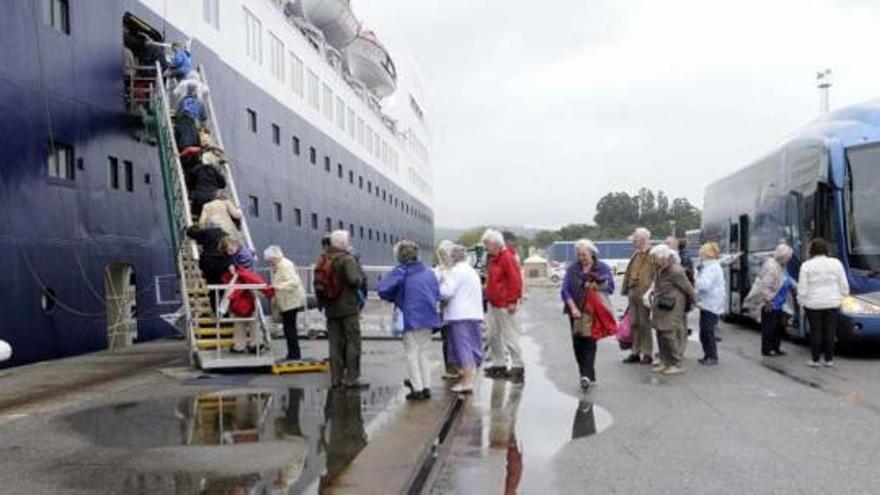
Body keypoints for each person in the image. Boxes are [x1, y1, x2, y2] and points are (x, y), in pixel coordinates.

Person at [378, 241, 442, 401]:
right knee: (424, 353)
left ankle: (417, 388)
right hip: (428, 316)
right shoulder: (429, 272)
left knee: (411, 354)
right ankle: (426, 386)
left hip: (410, 316)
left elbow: (383, 290)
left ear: (400, 256)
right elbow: (436, 292)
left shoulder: (401, 271)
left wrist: (396, 296)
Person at [560, 239, 615, 390]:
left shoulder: (602, 267)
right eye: (579, 255)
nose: (581, 258)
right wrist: (573, 308)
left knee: (590, 342)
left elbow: (611, 288)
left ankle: (586, 375)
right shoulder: (573, 269)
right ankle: (586, 375)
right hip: (575, 311)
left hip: (593, 312)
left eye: (584, 254)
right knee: (578, 344)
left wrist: (597, 285)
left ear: (592, 253)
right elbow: (565, 290)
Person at [315, 230, 366, 389]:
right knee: (353, 342)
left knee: (334, 343)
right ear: (343, 244)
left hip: (331, 307)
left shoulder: (324, 258)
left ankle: (335, 379)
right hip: (348, 308)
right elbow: (354, 280)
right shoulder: (347, 259)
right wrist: (359, 279)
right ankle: (351, 378)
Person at [437, 243, 485, 393]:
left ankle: (467, 382)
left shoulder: (455, 272)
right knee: (472, 347)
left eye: (447, 256)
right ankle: (469, 378)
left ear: (452, 257)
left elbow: (446, 292)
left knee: (463, 348)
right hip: (473, 314)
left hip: (460, 315)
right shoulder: (470, 271)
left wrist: (439, 285)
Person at [798, 238, 849, 367]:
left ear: (811, 250)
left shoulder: (806, 265)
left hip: (813, 303)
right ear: (827, 249)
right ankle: (829, 359)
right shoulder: (836, 263)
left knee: (815, 331)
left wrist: (801, 301)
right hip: (832, 302)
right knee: (830, 331)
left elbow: (803, 287)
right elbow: (843, 282)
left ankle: (815, 360)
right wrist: (843, 295)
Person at [481, 229, 525, 381]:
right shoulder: (496, 258)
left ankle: (518, 366)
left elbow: (515, 280)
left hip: (504, 303)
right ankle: (498, 364)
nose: (487, 248)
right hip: (494, 302)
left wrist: (513, 300)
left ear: (495, 243)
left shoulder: (507, 257)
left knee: (509, 334)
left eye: (487, 244)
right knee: (493, 334)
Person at [649, 244, 697, 375]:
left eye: (655, 258)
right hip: (661, 305)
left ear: (663, 257)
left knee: (668, 334)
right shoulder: (661, 268)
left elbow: (688, 288)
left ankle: (676, 363)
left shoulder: (675, 270)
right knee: (660, 333)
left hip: (672, 306)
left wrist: (694, 302)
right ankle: (665, 361)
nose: (653, 261)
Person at [744, 244, 795, 356]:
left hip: (779, 302)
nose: (789, 259)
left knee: (778, 327)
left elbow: (787, 280)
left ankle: (775, 348)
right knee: (770, 327)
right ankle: (767, 349)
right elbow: (765, 286)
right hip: (771, 302)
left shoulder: (780, 266)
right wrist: (767, 301)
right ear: (783, 256)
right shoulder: (772, 267)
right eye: (788, 257)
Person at [264, 246, 307, 361]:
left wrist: (277, 287)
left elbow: (294, 282)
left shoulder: (285, 265)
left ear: (275, 257)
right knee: (289, 328)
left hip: (291, 301)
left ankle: (294, 355)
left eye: (270, 260)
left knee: (290, 328)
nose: (269, 263)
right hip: (287, 300)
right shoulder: (279, 265)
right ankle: (292, 353)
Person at [621, 227, 656, 364]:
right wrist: (626, 289)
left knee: (644, 323)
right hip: (633, 292)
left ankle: (647, 353)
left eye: (635, 238)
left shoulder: (653, 254)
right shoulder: (636, 254)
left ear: (642, 239)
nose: (633, 241)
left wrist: (651, 292)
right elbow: (629, 273)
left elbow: (656, 276)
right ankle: (635, 351)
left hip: (645, 294)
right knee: (634, 323)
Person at [695, 242, 726, 365]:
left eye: (702, 252)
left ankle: (712, 356)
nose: (700, 255)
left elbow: (704, 285)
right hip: (708, 303)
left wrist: (696, 279)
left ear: (706, 254)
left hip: (710, 304)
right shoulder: (709, 266)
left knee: (707, 331)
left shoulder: (711, 267)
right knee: (704, 331)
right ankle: (708, 355)